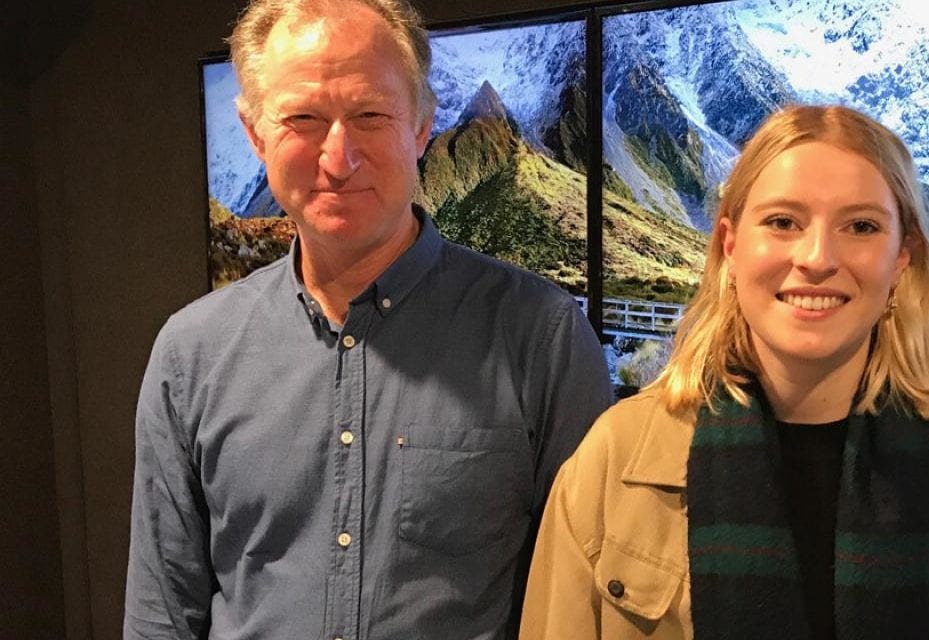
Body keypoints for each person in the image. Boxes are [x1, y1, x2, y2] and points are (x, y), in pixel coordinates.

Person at [520, 105, 929, 640]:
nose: (817, 258)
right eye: (783, 222)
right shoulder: (613, 461)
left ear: (903, 256)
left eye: (861, 227)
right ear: (731, 247)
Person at [124, 1, 612, 638]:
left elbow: (583, 607)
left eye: (370, 115)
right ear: (254, 132)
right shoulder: (190, 355)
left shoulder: (541, 338)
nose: (338, 156)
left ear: (421, 126)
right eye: (302, 118)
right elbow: (162, 615)